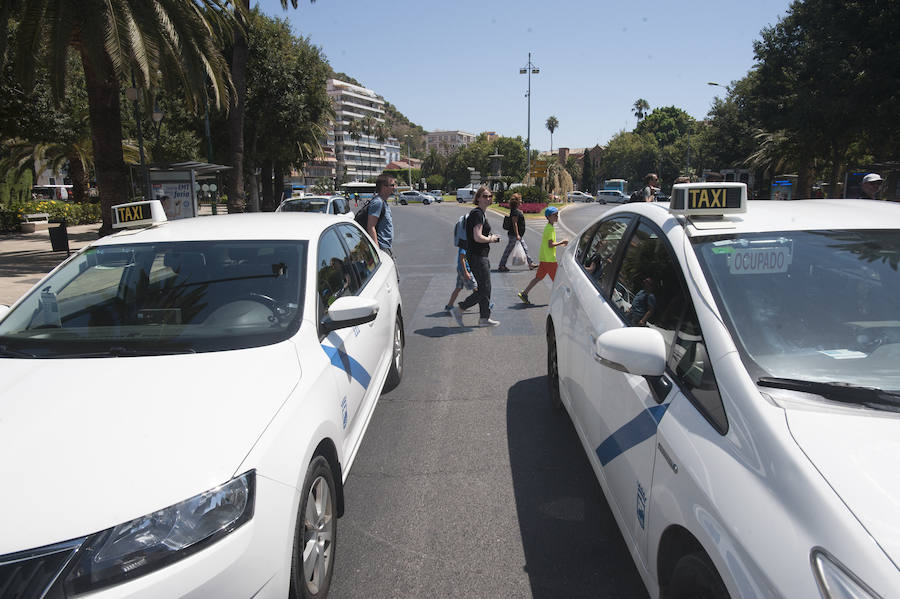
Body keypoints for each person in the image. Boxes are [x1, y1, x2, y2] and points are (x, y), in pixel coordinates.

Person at [450, 187, 502, 327]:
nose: (488, 198)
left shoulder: (479, 213)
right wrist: (492, 239)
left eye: (490, 196)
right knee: (484, 289)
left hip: (478, 256)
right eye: (485, 196)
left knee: (486, 288)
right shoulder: (477, 214)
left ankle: (484, 318)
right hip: (478, 257)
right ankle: (460, 308)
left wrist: (490, 238)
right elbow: (477, 237)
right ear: (478, 198)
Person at [517, 206, 569, 304]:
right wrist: (562, 242)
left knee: (538, 278)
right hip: (549, 260)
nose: (557, 217)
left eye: (557, 215)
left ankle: (524, 293)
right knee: (558, 280)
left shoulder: (549, 227)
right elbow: (550, 244)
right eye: (554, 215)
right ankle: (561, 300)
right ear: (548, 217)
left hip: (545, 258)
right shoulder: (549, 229)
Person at [497, 194, 537, 272]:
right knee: (509, 250)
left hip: (517, 235)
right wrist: (517, 234)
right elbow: (514, 223)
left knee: (524, 248)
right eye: (520, 200)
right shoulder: (515, 212)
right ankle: (502, 265)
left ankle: (530, 263)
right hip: (514, 235)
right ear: (516, 202)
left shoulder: (516, 211)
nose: (521, 201)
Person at [367, 175, 395, 257]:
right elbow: (371, 226)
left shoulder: (383, 202)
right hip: (382, 249)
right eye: (392, 185)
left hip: (386, 247)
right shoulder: (378, 202)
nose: (394, 187)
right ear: (384, 187)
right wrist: (377, 249)